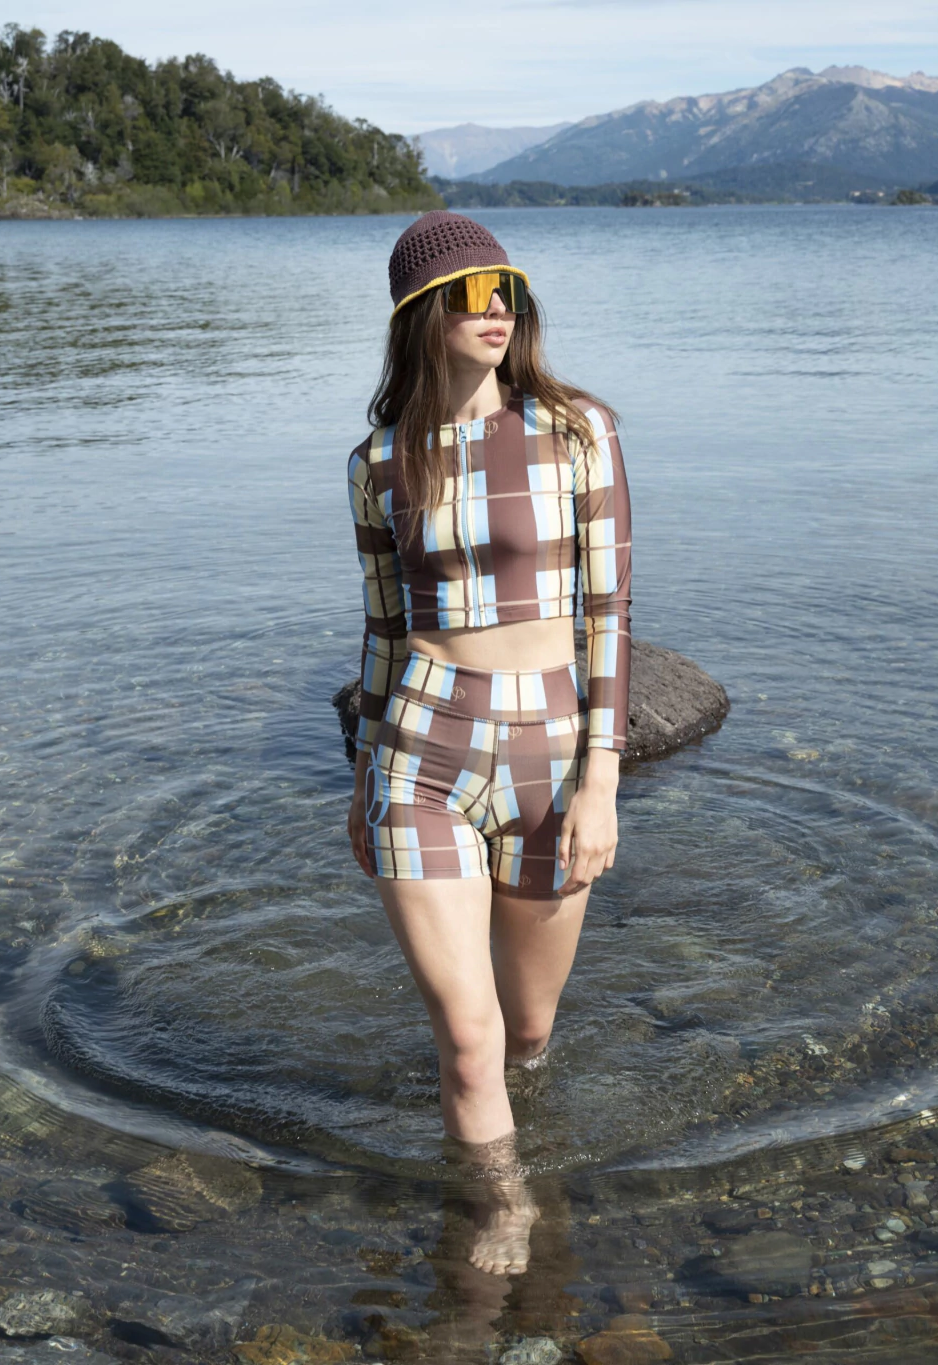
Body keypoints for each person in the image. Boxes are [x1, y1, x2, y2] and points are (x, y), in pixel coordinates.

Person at [346, 210, 632, 1276]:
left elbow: (608, 614)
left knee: (527, 1030)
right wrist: (362, 773)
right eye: (470, 296)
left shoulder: (577, 429)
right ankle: (500, 1214)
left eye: (505, 290)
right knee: (468, 1041)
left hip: (550, 758)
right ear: (421, 316)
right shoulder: (378, 461)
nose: (495, 310)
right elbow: (382, 632)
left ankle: (523, 1120)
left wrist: (601, 780)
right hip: (419, 749)